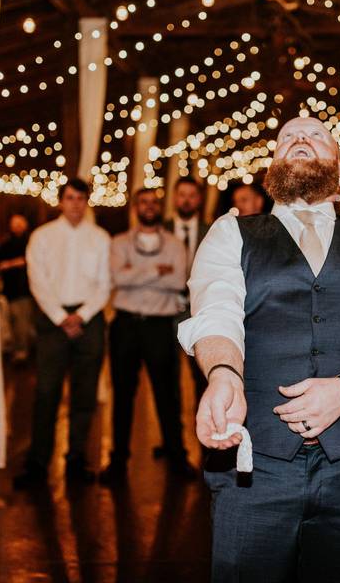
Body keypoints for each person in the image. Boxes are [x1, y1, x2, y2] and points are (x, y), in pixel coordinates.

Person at [178, 115, 340, 580]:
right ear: (271, 166)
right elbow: (217, 314)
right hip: (254, 467)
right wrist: (222, 375)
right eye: (287, 137)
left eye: (316, 135)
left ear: (338, 166)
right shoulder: (231, 233)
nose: (300, 137)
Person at [14, 179, 111, 488]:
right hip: (52, 321)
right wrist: (60, 317)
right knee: (46, 392)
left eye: (81, 198)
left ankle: (75, 460)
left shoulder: (100, 238)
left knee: (84, 395)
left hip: (90, 319)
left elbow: (105, 284)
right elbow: (37, 280)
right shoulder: (42, 237)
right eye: (70, 198)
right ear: (60, 201)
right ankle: (38, 462)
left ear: (87, 202)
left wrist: (80, 315)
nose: (75, 204)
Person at [101, 189, 193, 485]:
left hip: (159, 326)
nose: (149, 207)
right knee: (123, 396)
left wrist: (136, 271)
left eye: (154, 203)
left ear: (159, 207)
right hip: (125, 325)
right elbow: (118, 278)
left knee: (167, 395)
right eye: (144, 202)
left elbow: (179, 280)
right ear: (135, 208)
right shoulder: (118, 242)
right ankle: (117, 461)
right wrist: (157, 269)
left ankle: (178, 457)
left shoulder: (176, 244)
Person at [165, 176, 211, 434]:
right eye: (181, 194)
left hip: (200, 316)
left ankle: (204, 439)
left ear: (199, 199)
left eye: (191, 195)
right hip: (166, 316)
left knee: (202, 380)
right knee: (168, 382)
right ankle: (174, 442)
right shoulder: (160, 230)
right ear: (174, 197)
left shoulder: (212, 231)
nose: (186, 200)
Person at [0, 214, 35, 363]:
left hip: (25, 289)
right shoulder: (5, 245)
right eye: (14, 224)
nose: (17, 227)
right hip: (10, 289)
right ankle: (16, 348)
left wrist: (13, 264)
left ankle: (22, 350)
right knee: (13, 321)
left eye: (20, 224)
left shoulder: (31, 243)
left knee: (22, 321)